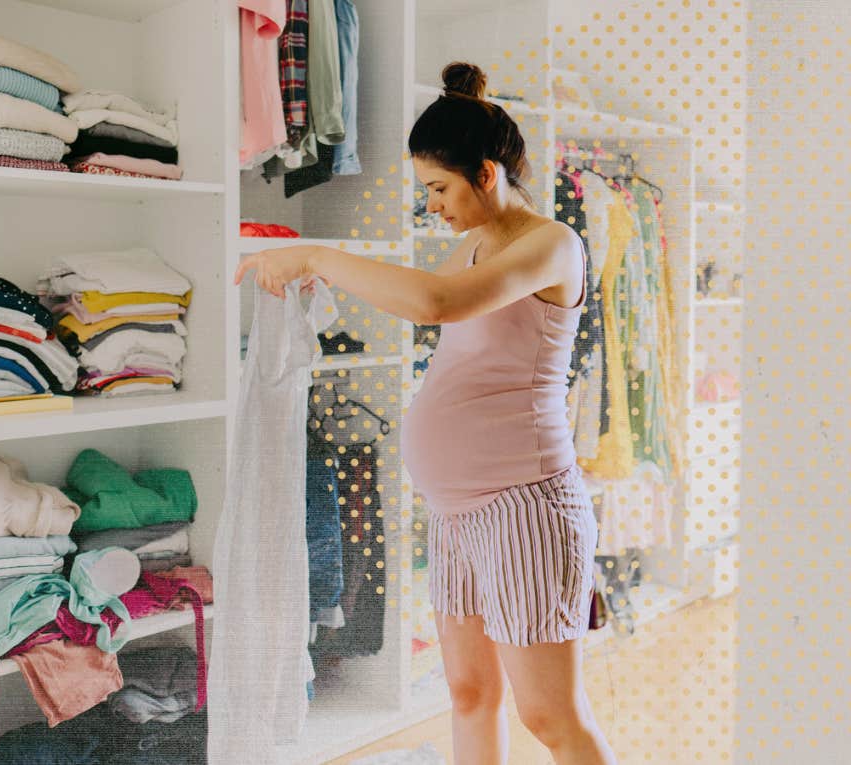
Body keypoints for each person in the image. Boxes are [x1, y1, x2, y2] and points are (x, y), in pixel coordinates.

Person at [233, 61, 618, 765]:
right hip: (454, 512)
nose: (432, 205)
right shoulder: (468, 245)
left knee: (550, 713)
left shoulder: (554, 246)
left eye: (438, 188)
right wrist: (308, 274)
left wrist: (317, 251)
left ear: (487, 173)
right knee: (469, 693)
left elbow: (436, 304)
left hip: (523, 505)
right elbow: (417, 298)